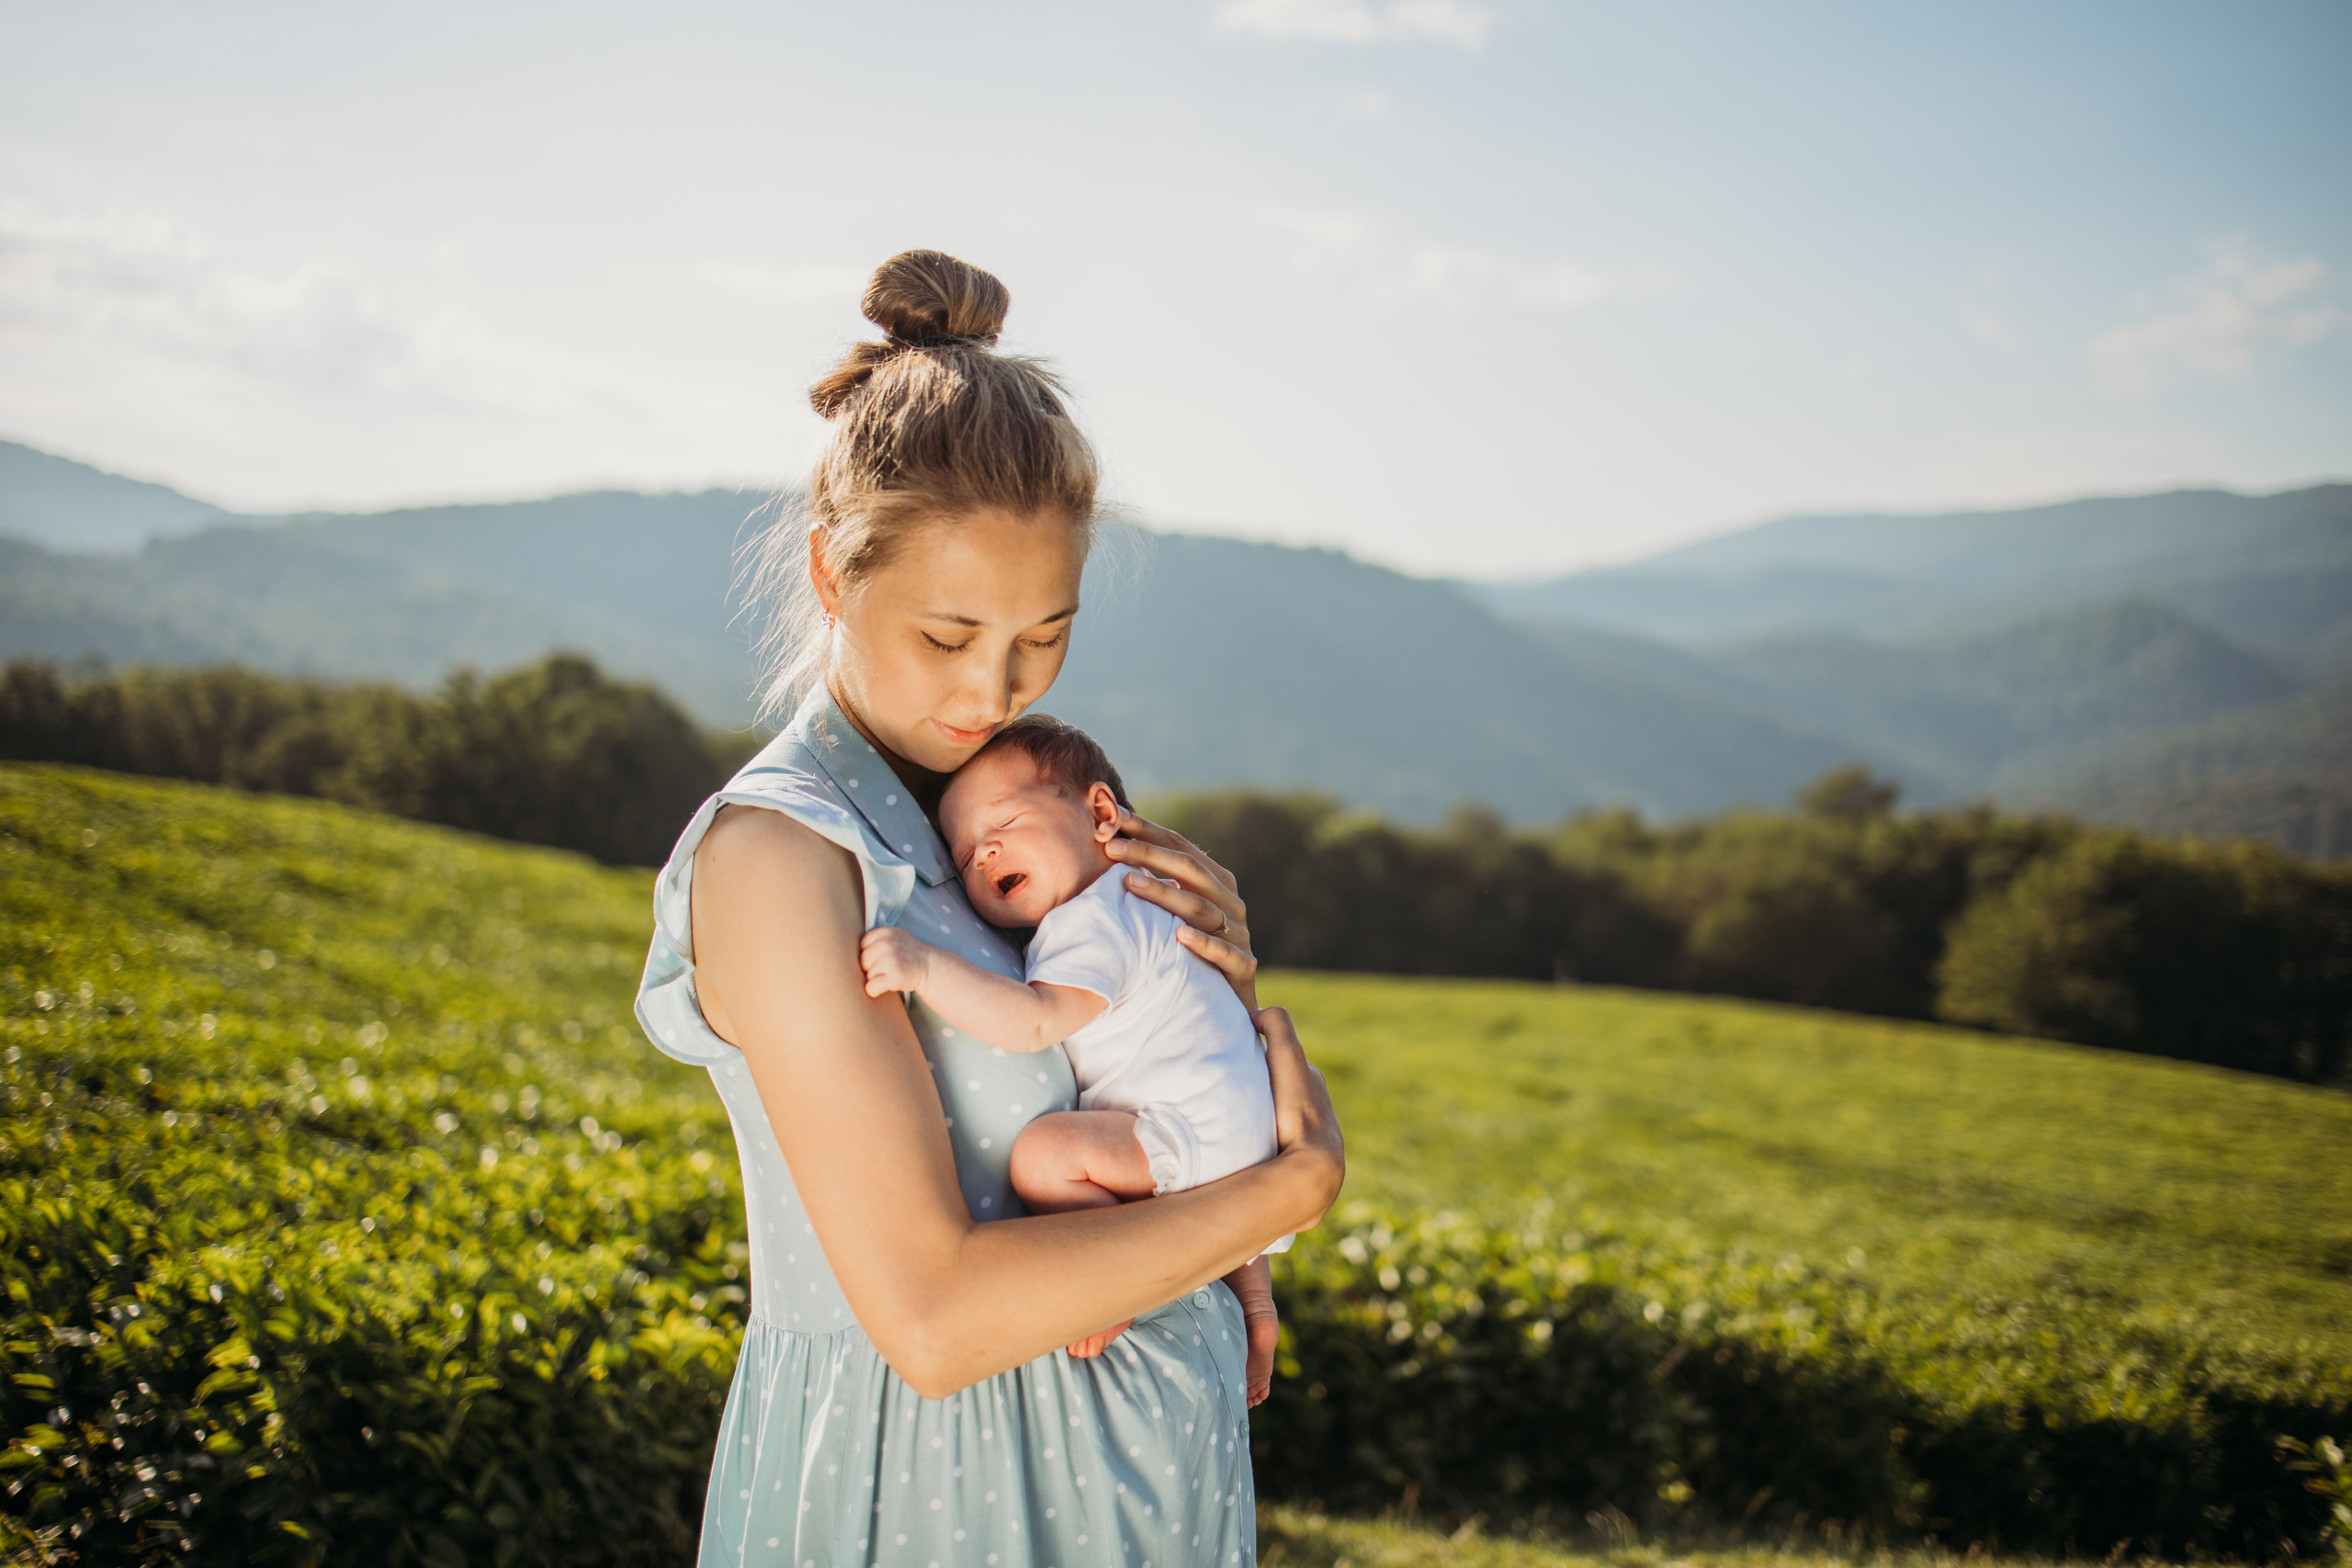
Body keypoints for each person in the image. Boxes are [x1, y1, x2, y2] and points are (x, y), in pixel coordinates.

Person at [634, 249, 1346, 1568]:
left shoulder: (1017, 809)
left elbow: (1127, 1080)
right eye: (948, 637)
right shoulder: (784, 856)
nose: (994, 691)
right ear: (832, 574)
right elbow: (933, 1319)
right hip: (926, 1485)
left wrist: (1210, 1007)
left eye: (1044, 636)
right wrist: (1286, 1191)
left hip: (1146, 1477)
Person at [856, 714, 1286, 1405]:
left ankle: (1115, 1282)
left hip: (1189, 1128)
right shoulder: (1148, 895)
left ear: (1100, 813)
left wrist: (927, 969)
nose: (985, 854)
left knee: (1044, 1157)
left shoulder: (1091, 915)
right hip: (1242, 1128)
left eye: (1002, 823)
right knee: (1216, 1202)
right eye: (965, 857)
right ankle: (1257, 1305)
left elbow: (1034, 1021)